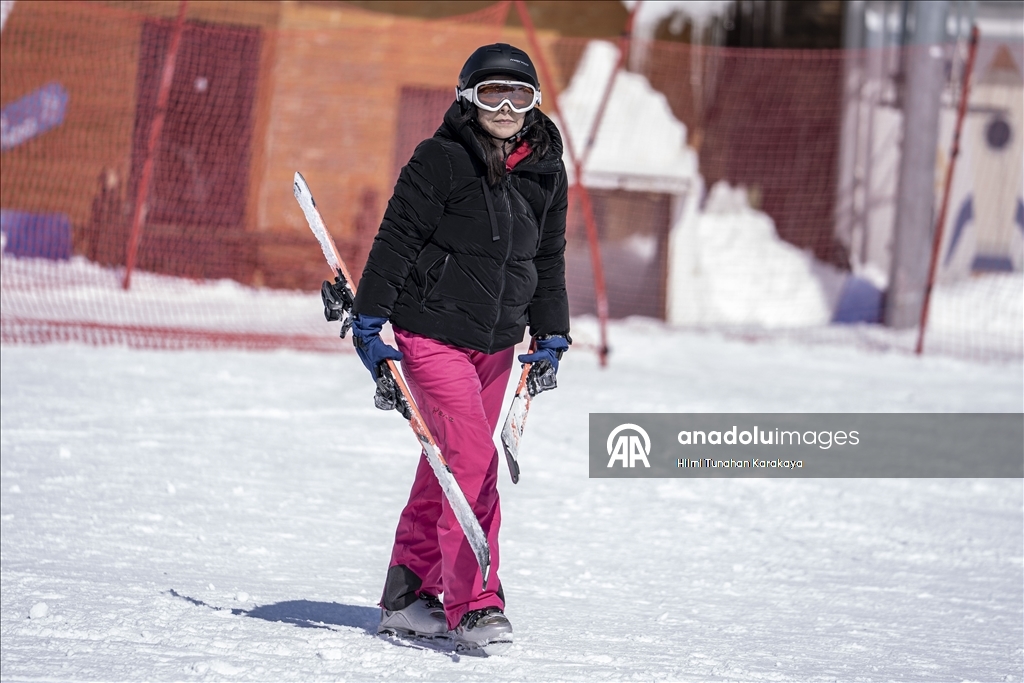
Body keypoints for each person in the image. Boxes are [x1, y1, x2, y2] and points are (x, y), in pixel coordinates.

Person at [349, 43, 570, 655]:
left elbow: (548, 258)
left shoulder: (546, 169)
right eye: (493, 93)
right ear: (467, 98)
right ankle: (474, 604)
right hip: (432, 333)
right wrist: (369, 321)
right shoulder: (441, 159)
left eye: (519, 95)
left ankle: (406, 597)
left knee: (446, 465)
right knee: (473, 461)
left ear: (534, 103)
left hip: (496, 342)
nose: (506, 107)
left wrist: (551, 331)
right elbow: (397, 239)